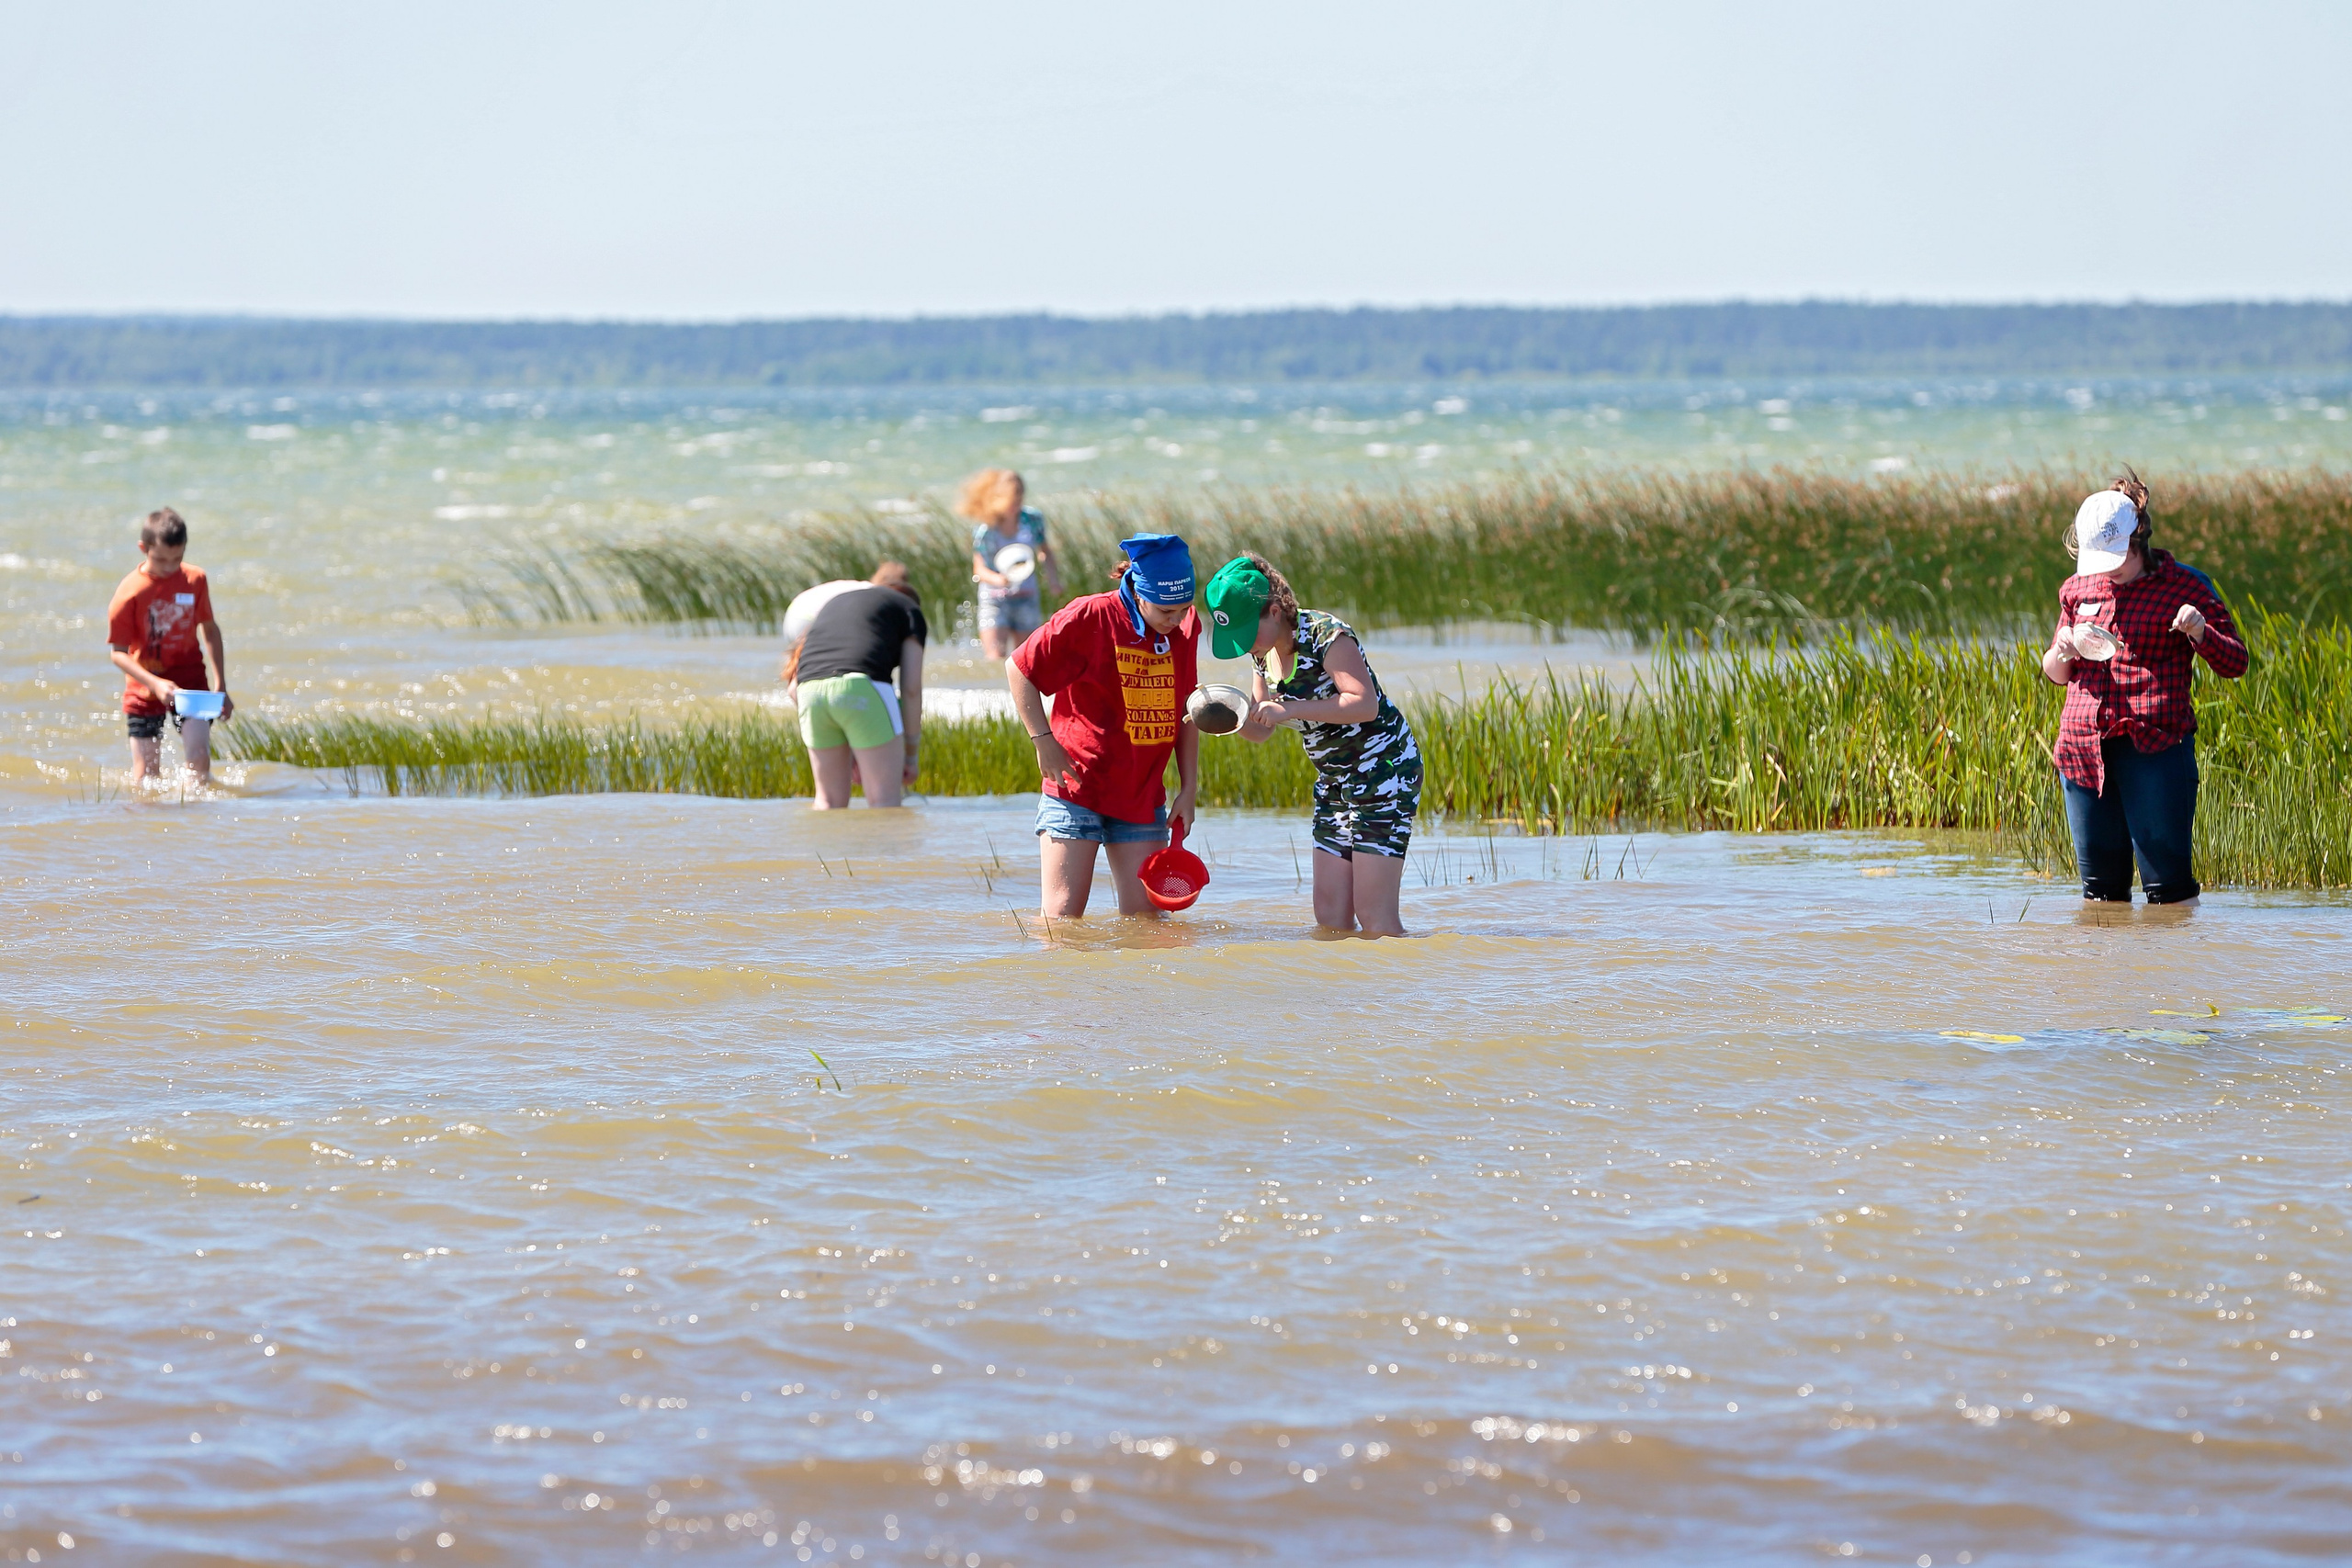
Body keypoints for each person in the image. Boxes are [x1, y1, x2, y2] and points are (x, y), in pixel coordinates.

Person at [2040, 472, 2245, 905]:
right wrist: (2063, 650)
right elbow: (2055, 672)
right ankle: (2107, 957)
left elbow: (2235, 663)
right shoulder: (2077, 588)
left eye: (2115, 559)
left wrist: (2200, 631)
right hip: (2082, 750)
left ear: (2138, 540)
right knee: (2100, 898)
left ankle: (2170, 954)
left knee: (2169, 895)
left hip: (2156, 750)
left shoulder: (2186, 586)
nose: (2106, 571)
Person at [1207, 554, 1422, 936]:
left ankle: (1408, 976)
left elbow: (1364, 704)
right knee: (1330, 917)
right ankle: (1349, 980)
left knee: (1374, 916)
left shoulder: (1326, 635)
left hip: (1384, 774)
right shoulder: (1262, 656)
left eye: (1246, 633)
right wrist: (1225, 717)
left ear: (1274, 612)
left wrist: (1289, 709)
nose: (1244, 646)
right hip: (1335, 783)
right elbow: (1261, 729)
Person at [1008, 534, 1201, 918]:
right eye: (1166, 610)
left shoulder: (1184, 628)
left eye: (1184, 609)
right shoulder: (1090, 616)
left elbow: (1187, 708)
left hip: (1141, 796)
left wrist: (1189, 788)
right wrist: (1043, 740)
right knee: (1062, 920)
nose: (1176, 619)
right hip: (1075, 788)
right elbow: (1019, 667)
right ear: (1140, 593)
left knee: (1146, 923)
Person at [107, 506, 232, 787]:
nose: (170, 567)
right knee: (146, 778)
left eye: (178, 559)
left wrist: (221, 686)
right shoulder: (129, 592)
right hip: (144, 688)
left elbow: (210, 630)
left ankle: (196, 814)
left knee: (199, 761)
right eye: (161, 559)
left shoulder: (195, 580)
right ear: (144, 548)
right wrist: (155, 684)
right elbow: (118, 653)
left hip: (191, 683)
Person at [787, 562, 926, 809]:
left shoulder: (837, 603)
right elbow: (911, 689)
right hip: (862, 687)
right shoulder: (909, 610)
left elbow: (792, 689)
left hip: (809, 692)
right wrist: (911, 756)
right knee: (884, 802)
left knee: (828, 802)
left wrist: (850, 739)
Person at [961, 468, 1060, 660]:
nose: (1015, 505)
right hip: (994, 599)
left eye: (1019, 500)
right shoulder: (986, 527)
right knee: (995, 656)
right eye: (1011, 501)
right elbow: (979, 569)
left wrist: (1053, 580)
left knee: (1026, 660)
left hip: (1026, 596)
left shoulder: (1032, 519)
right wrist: (998, 579)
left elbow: (1045, 551)